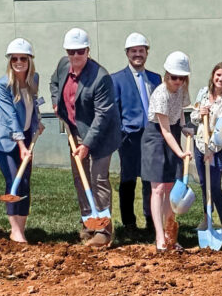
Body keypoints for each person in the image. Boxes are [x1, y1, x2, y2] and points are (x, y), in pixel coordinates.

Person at [49, 27, 121, 247]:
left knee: (98, 179)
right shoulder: (63, 66)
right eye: (71, 51)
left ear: (88, 51)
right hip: (75, 131)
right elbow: (54, 83)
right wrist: (56, 102)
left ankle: (104, 230)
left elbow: (102, 116)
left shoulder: (101, 77)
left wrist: (87, 144)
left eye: (80, 51)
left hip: (101, 135)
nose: (75, 56)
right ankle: (88, 222)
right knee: (81, 179)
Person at [0, 38, 43, 243]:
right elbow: (10, 115)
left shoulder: (33, 79)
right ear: (9, 61)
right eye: (14, 59)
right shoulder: (2, 85)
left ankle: (20, 229)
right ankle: (15, 229)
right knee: (14, 180)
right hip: (4, 141)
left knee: (25, 182)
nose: (18, 62)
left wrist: (37, 121)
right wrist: (21, 145)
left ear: (30, 60)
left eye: (23, 58)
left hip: (27, 135)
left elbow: (34, 102)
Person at [141, 51, 193, 251]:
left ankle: (171, 235)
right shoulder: (160, 94)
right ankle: (159, 237)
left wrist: (184, 125)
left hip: (174, 133)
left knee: (171, 188)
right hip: (155, 137)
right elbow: (164, 130)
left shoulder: (182, 89)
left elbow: (179, 109)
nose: (178, 81)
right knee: (158, 189)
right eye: (174, 77)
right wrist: (180, 152)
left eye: (182, 77)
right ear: (166, 75)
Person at [111, 32, 162, 234]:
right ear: (127, 53)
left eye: (141, 51)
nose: (138, 54)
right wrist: (120, 132)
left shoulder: (155, 78)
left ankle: (151, 218)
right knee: (128, 179)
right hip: (129, 137)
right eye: (134, 51)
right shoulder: (117, 79)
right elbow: (114, 110)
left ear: (147, 53)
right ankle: (129, 222)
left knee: (151, 179)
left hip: (152, 135)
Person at [189, 62, 222, 237]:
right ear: (213, 75)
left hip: (215, 148)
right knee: (203, 184)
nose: (220, 79)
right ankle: (207, 218)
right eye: (218, 75)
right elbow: (193, 117)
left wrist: (212, 150)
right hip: (200, 144)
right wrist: (199, 113)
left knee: (214, 185)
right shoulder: (202, 92)